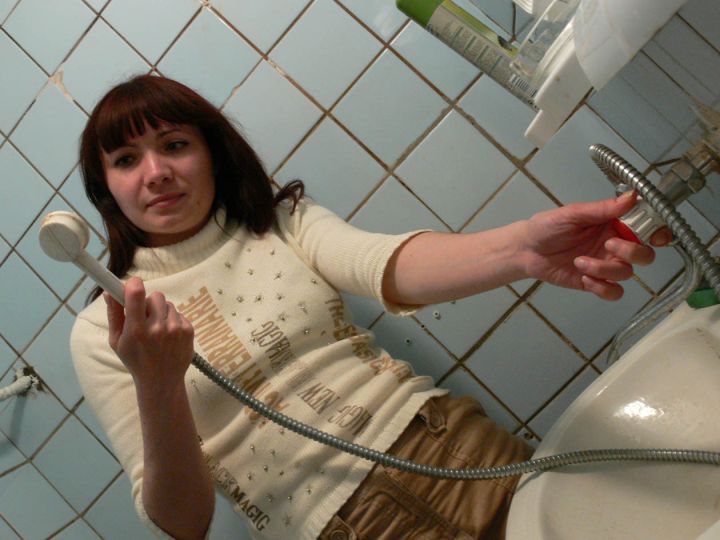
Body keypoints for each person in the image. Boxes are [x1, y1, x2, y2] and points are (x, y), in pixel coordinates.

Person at [70, 74, 669, 540]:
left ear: (212, 154)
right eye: (126, 160)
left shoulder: (278, 223)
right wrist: (157, 383)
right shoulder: (105, 330)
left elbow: (386, 264)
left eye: (175, 145)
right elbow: (181, 523)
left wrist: (522, 249)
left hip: (455, 450)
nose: (156, 173)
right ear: (106, 189)